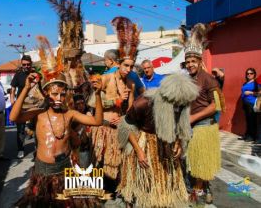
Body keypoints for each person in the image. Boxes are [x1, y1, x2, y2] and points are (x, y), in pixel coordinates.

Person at [10, 36, 103, 207]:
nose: (58, 98)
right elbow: (14, 117)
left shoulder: (70, 114)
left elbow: (97, 121)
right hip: (42, 171)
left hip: (64, 170)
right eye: (54, 94)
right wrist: (25, 88)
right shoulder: (39, 113)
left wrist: (97, 95)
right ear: (46, 94)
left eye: (61, 94)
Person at [117, 73, 199, 207]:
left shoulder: (181, 102)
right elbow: (126, 126)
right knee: (143, 182)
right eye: (174, 105)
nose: (177, 108)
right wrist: (139, 151)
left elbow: (180, 124)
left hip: (166, 144)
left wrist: (179, 143)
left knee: (163, 185)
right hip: (143, 142)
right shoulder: (143, 102)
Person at [90, 17, 140, 198]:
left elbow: (131, 108)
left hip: (118, 128)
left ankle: (114, 191)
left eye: (131, 66)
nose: (128, 69)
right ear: (118, 63)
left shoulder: (131, 84)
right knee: (99, 162)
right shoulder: (104, 79)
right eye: (126, 65)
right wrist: (113, 104)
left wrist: (125, 116)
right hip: (102, 127)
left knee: (117, 162)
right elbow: (91, 104)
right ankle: (97, 194)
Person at [182, 23, 222, 204]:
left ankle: (200, 190)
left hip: (204, 127)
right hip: (190, 126)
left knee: (200, 161)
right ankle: (204, 187)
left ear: (199, 61)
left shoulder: (209, 79)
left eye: (193, 61)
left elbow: (216, 105)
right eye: (188, 61)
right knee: (196, 161)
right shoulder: (187, 79)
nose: (190, 64)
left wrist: (193, 117)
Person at [10, 55, 33, 159]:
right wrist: (12, 100)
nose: (26, 66)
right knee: (20, 129)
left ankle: (38, 149)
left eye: (28, 64)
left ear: (31, 64)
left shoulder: (36, 74)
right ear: (21, 64)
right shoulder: (18, 75)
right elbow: (13, 88)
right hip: (21, 105)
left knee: (36, 127)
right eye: (24, 64)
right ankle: (20, 149)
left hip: (34, 104)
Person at [241, 68, 259, 142]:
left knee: (252, 120)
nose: (249, 75)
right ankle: (248, 135)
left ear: (254, 74)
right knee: (248, 120)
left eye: (251, 73)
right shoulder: (245, 83)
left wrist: (251, 93)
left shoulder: (255, 84)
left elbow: (259, 93)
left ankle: (252, 137)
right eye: (247, 73)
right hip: (245, 104)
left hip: (252, 103)